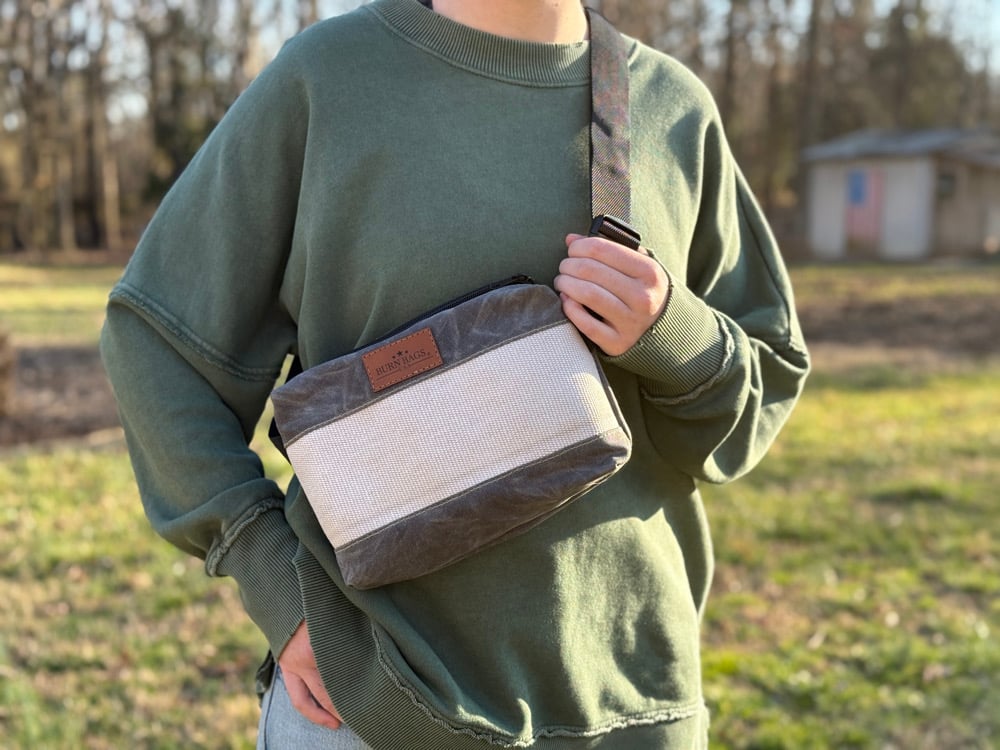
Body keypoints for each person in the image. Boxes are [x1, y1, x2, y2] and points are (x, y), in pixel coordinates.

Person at [100, 0, 810, 747]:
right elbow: (158, 342)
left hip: (635, 707)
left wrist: (673, 330)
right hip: (373, 701)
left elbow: (762, 390)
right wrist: (277, 584)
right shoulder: (328, 80)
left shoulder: (673, 109)